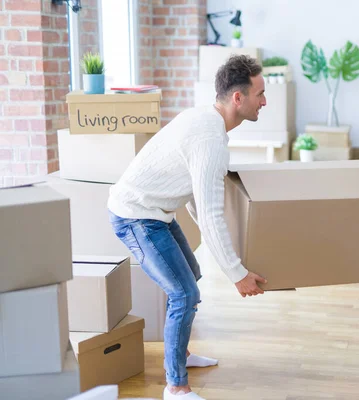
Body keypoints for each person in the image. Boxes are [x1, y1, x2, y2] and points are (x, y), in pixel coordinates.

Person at [107, 55, 268, 400]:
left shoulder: (207, 122)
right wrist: (236, 273)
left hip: (156, 212)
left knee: (190, 275)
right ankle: (176, 386)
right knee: (184, 294)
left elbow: (197, 200)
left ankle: (181, 352)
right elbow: (210, 212)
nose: (264, 101)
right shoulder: (209, 137)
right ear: (238, 98)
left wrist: (227, 256)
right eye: (260, 94)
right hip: (135, 215)